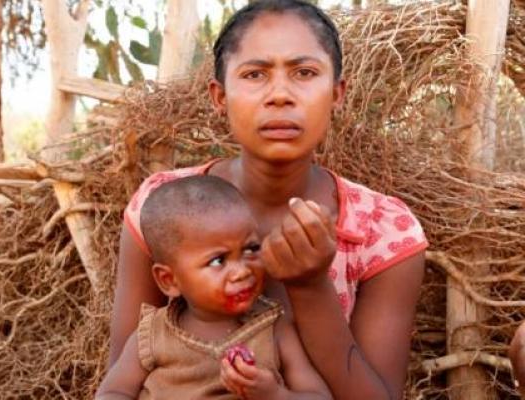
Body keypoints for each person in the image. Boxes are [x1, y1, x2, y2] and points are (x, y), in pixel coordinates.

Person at [109, 1, 428, 399]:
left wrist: (310, 287)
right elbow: (121, 378)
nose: (280, 95)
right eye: (255, 74)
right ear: (219, 96)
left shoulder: (381, 232)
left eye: (305, 73)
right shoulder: (164, 208)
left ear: (337, 93)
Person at [96, 175, 332, 400]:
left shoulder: (273, 330)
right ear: (170, 280)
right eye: (218, 261)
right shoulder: (153, 336)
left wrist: (274, 395)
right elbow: (113, 392)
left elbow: (319, 396)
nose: (242, 272)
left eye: (250, 249)